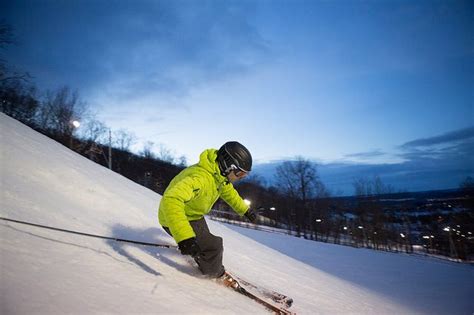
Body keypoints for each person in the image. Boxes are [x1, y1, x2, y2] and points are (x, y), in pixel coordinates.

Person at [158, 141, 257, 278]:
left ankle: (201, 254)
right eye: (239, 173)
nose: (241, 178)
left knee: (204, 242)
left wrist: (245, 210)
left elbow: (230, 194)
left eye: (245, 175)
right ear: (229, 166)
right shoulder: (201, 178)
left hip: (194, 215)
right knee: (214, 246)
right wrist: (185, 237)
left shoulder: (219, 177)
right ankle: (214, 273)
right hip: (173, 217)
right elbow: (171, 199)